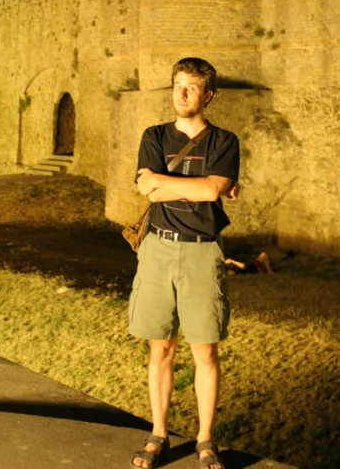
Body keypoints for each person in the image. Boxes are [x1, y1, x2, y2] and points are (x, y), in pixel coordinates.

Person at [129, 57, 240, 469]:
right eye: (177, 85)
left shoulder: (225, 142)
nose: (182, 93)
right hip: (158, 247)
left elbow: (213, 191)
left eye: (191, 87)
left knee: (205, 352)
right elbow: (146, 188)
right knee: (161, 347)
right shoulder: (154, 135)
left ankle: (205, 440)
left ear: (207, 94)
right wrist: (203, 186)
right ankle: (158, 434)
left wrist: (170, 185)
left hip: (201, 250)